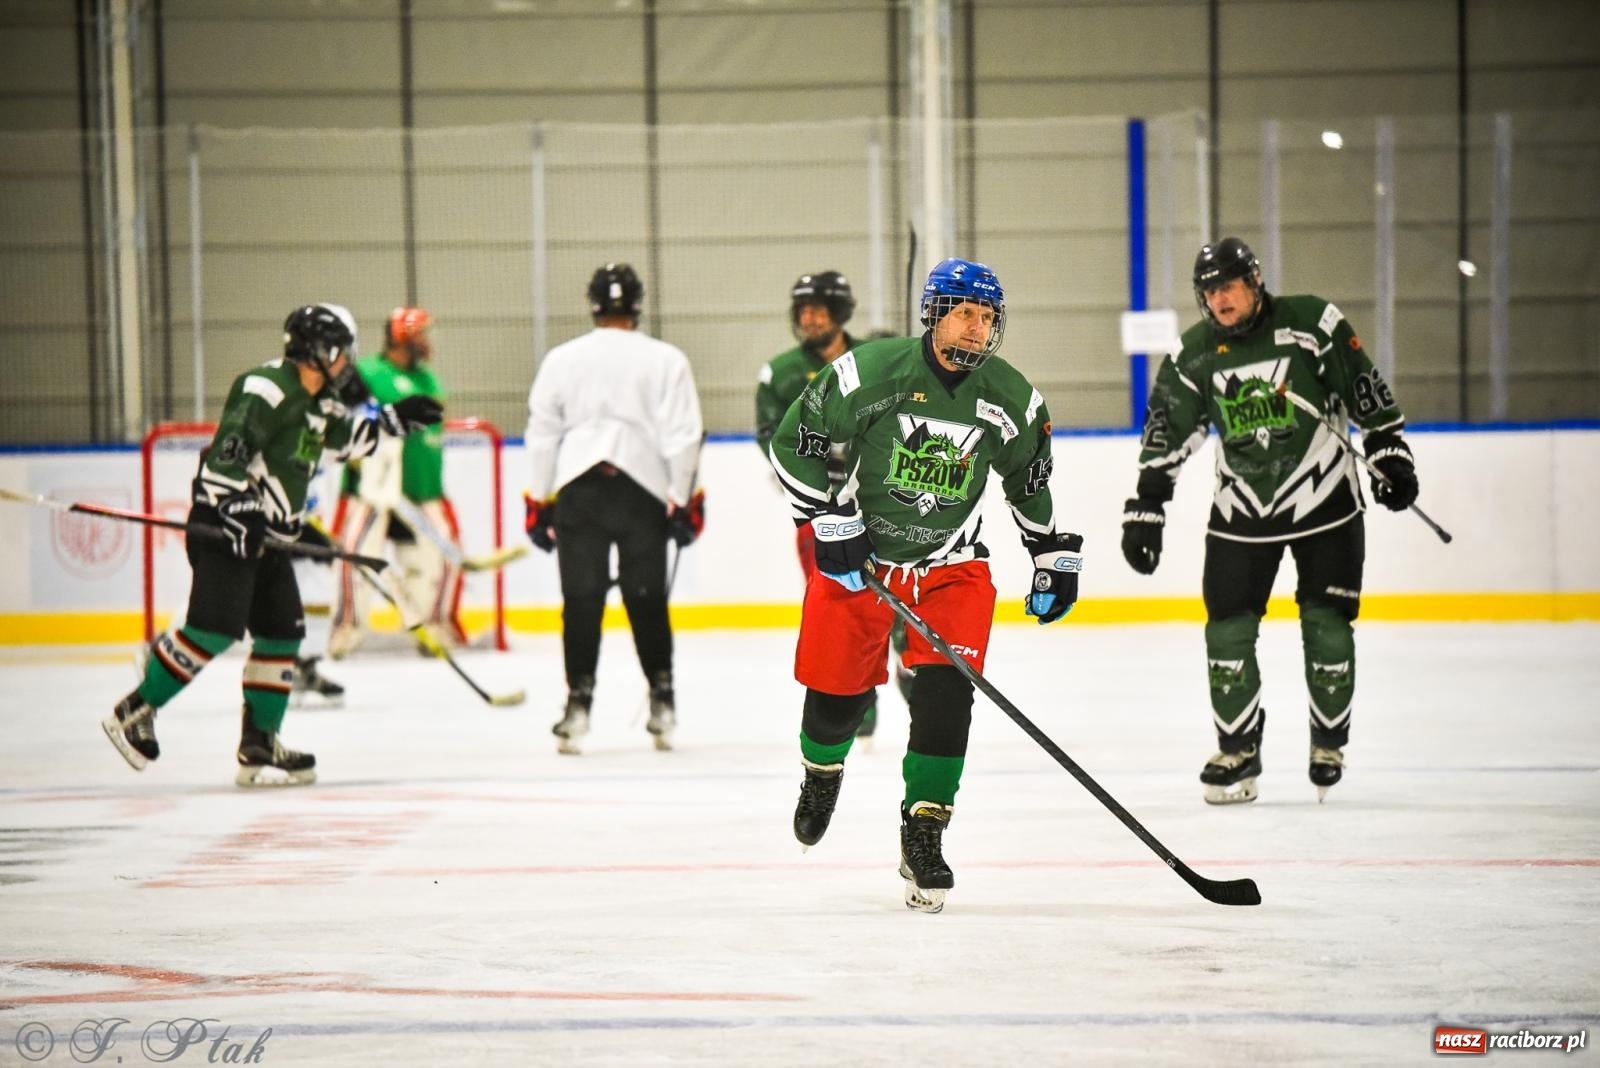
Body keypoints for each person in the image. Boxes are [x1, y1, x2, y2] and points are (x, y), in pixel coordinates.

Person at [768, 258, 1082, 913]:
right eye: (965, 313)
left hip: (952, 569)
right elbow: (792, 445)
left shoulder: (1012, 397)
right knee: (835, 702)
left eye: (988, 316)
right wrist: (832, 516)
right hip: (865, 565)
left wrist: (1049, 551)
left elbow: (1029, 481)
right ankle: (821, 775)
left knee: (946, 700)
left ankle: (925, 830)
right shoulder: (870, 373)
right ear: (934, 313)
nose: (977, 328)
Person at [1120, 237, 1420, 805]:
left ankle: (1329, 740)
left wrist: (1390, 454)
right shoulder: (1194, 354)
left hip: (1326, 504)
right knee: (1227, 630)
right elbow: (1168, 430)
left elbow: (1364, 391)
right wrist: (1148, 504)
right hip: (1241, 514)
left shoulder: (1312, 322)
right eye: (1209, 291)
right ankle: (1238, 751)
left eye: (1229, 286)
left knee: (1327, 626)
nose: (1220, 299)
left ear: (1254, 282)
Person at [102, 304, 443, 785]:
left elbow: (342, 441)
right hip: (226, 529)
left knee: (282, 633)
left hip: (270, 538)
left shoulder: (320, 401)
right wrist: (239, 508)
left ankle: (260, 741)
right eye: (342, 351)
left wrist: (391, 421)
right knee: (212, 630)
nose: (348, 362)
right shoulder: (264, 388)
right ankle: (134, 711)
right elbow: (225, 459)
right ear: (319, 351)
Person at [523, 263, 705, 755]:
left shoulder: (562, 359)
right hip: (640, 490)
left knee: (580, 600)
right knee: (645, 598)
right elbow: (684, 435)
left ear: (594, 304)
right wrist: (684, 498)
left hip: (578, 490)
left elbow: (542, 432)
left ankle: (577, 704)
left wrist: (538, 498)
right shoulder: (666, 359)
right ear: (638, 305)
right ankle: (662, 699)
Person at [755, 271, 909, 746]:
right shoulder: (779, 373)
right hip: (821, 512)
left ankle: (910, 658)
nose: (808, 319)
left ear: (840, 314)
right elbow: (771, 438)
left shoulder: (874, 359)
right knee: (841, 603)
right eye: (802, 311)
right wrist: (823, 477)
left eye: (818, 310)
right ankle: (859, 698)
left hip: (882, 503)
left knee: (898, 593)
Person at [330, 306, 464, 657]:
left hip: (422, 490)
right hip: (373, 490)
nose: (427, 342)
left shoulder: (428, 379)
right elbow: (346, 423)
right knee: (354, 555)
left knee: (440, 557)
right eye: (420, 333)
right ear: (403, 338)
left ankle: (430, 627)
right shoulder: (369, 373)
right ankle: (346, 628)